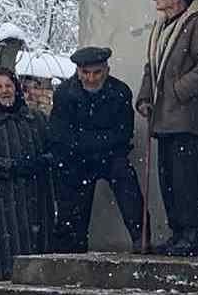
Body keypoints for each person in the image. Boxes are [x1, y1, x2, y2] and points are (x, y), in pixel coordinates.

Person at [136, 0, 198, 256]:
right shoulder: (162, 26)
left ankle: (192, 233)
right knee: (168, 178)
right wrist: (146, 97)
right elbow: (153, 67)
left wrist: (177, 90)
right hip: (165, 118)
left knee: (185, 177)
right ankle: (178, 232)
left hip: (187, 117)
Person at [49, 46, 144, 253]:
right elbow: (61, 136)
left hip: (110, 157)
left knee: (125, 179)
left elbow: (124, 133)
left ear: (106, 70)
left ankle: (141, 237)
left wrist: (87, 141)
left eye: (97, 72)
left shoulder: (120, 92)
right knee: (72, 200)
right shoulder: (65, 94)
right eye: (85, 73)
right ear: (78, 72)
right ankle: (72, 247)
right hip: (76, 159)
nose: (91, 78)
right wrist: (98, 140)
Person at [0, 68, 54, 280]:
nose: (4, 91)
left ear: (16, 88)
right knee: (2, 264)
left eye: (8, 85)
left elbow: (52, 152)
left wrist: (40, 163)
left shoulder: (35, 119)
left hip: (34, 201)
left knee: (36, 265)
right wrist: (10, 166)